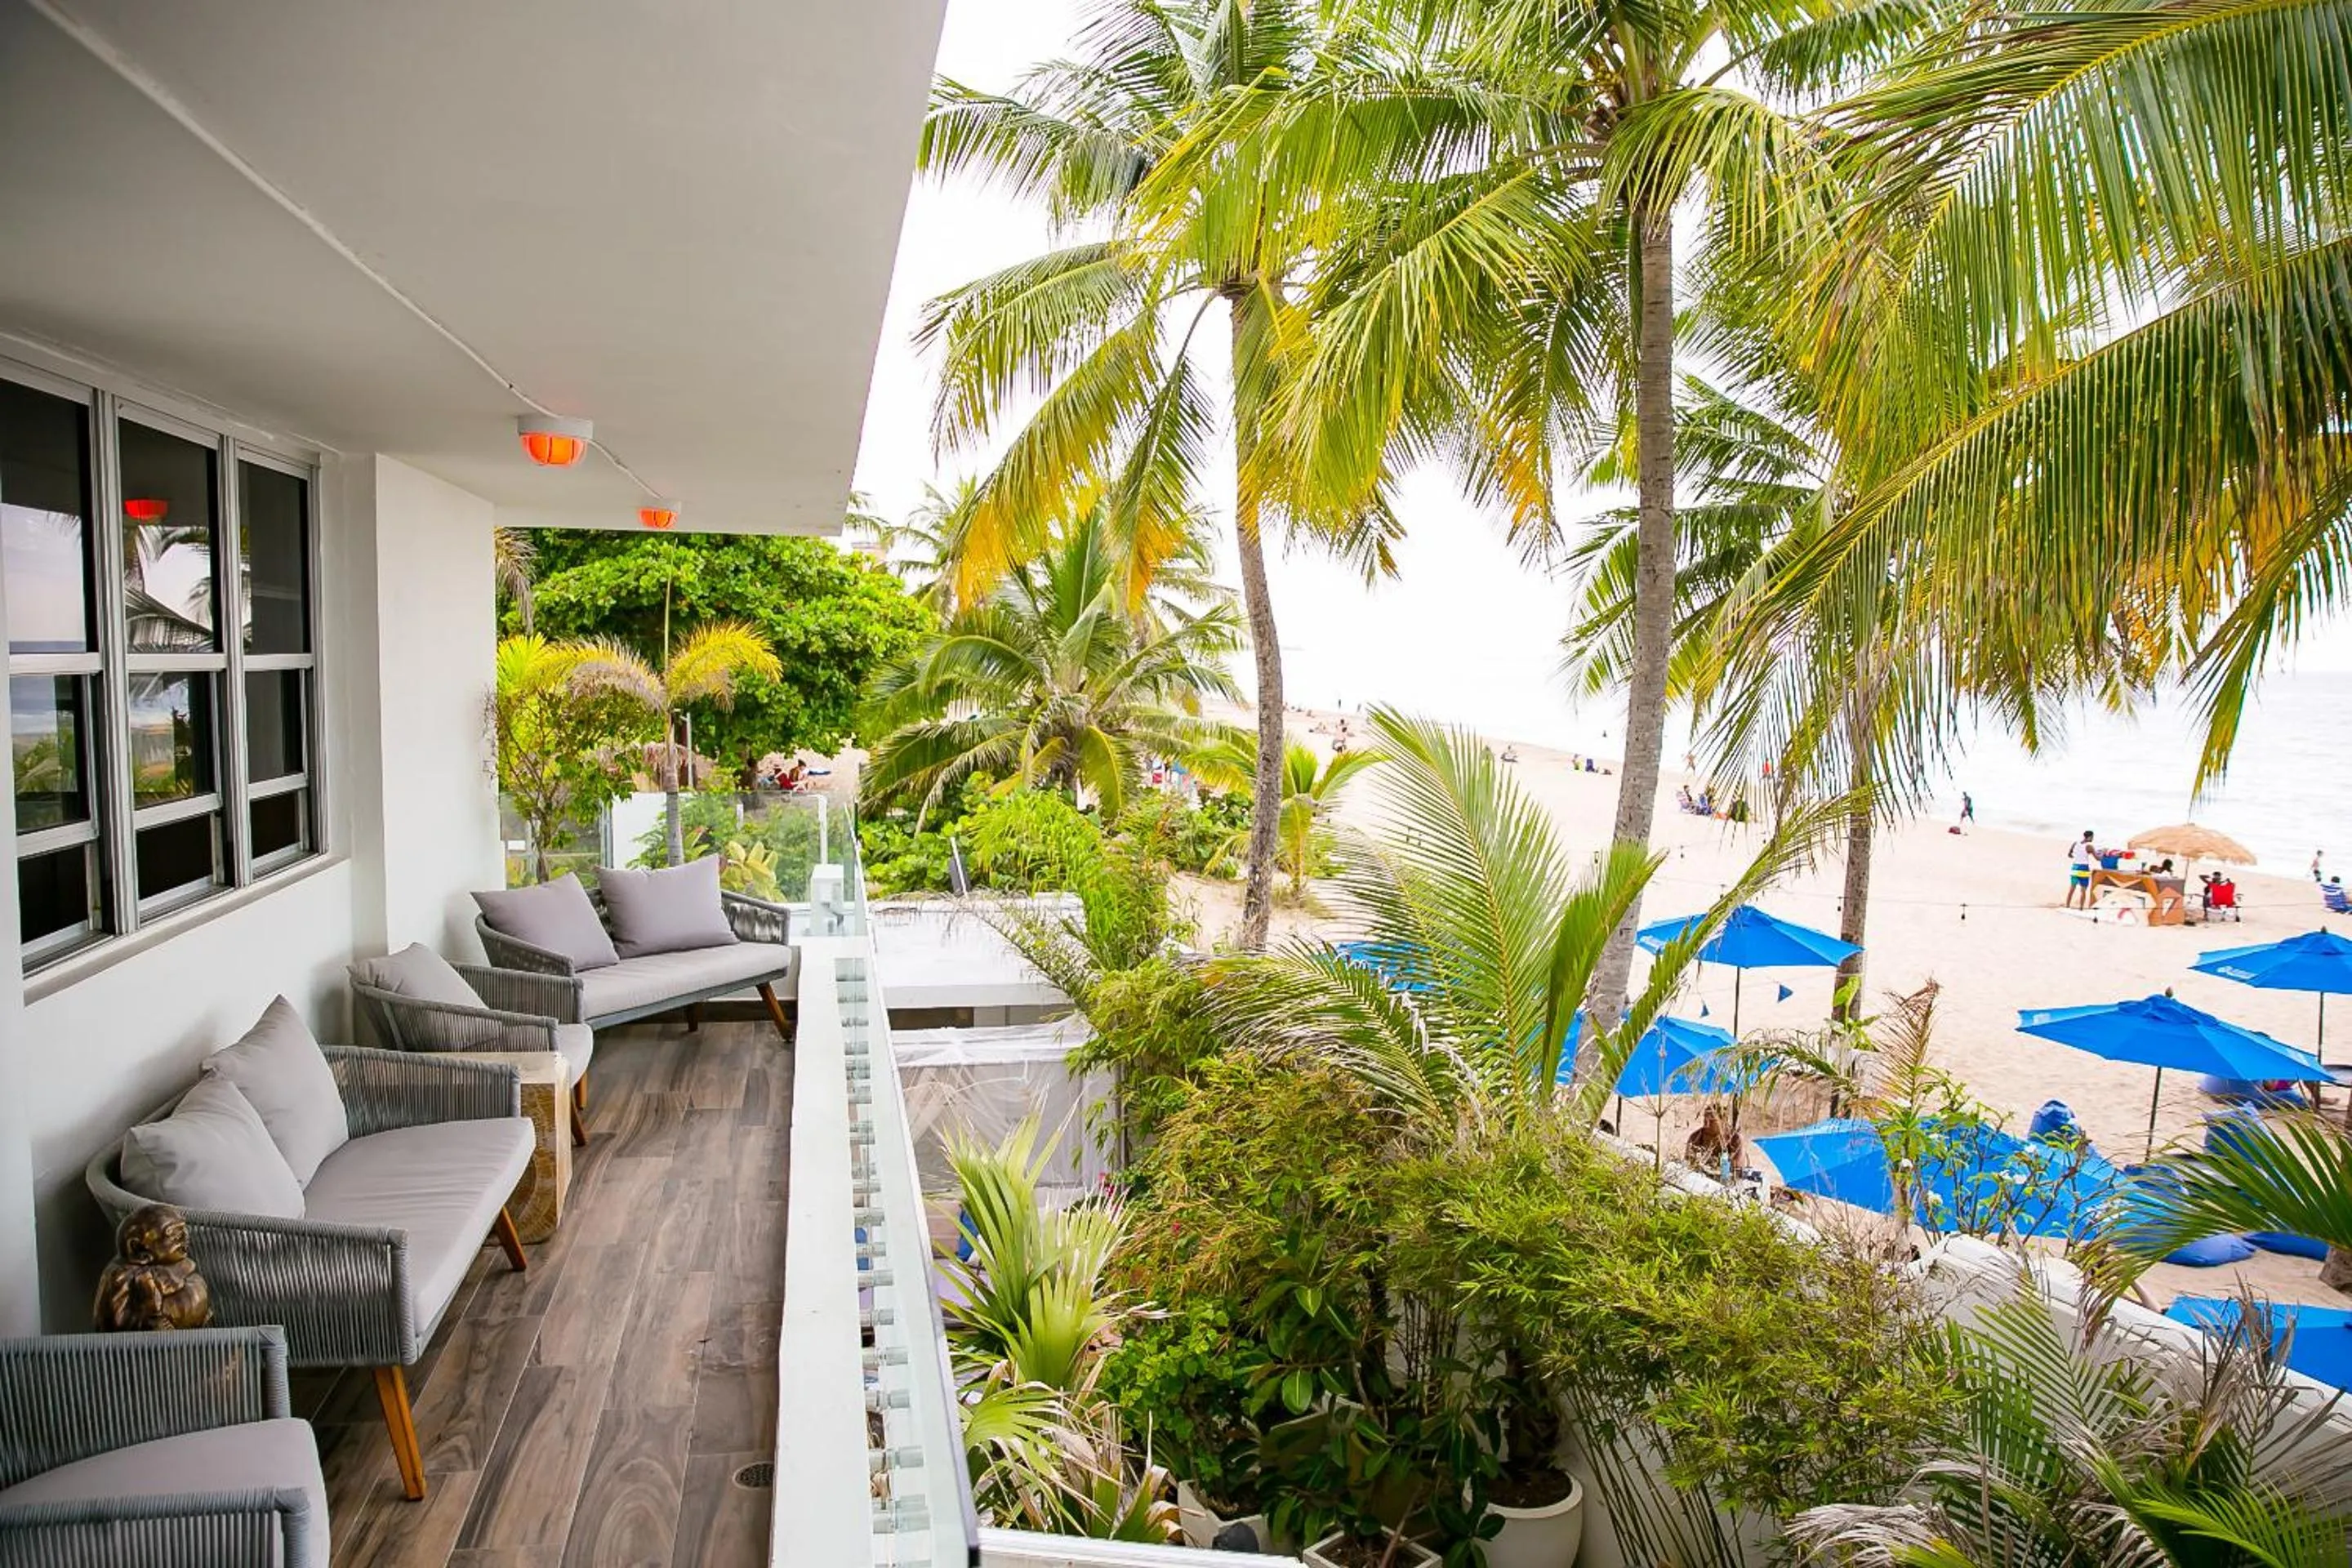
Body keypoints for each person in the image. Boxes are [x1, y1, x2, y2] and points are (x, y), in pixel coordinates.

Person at [2065, 828, 2097, 909]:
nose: (2093, 839)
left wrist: (2078, 856)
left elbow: (2069, 855)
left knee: (2072, 888)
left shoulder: (2075, 843)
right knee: (2083, 890)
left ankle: (2067, 906)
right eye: (2092, 837)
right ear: (2089, 837)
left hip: (2075, 867)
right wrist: (2104, 853)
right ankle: (2081, 908)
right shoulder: (2089, 846)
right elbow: (2098, 858)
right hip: (2084, 868)